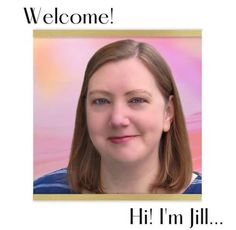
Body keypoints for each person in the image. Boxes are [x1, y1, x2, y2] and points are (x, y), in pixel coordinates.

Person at [34, 39, 202, 194]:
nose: (117, 119)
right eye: (101, 101)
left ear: (168, 112)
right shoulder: (41, 193)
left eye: (137, 100)